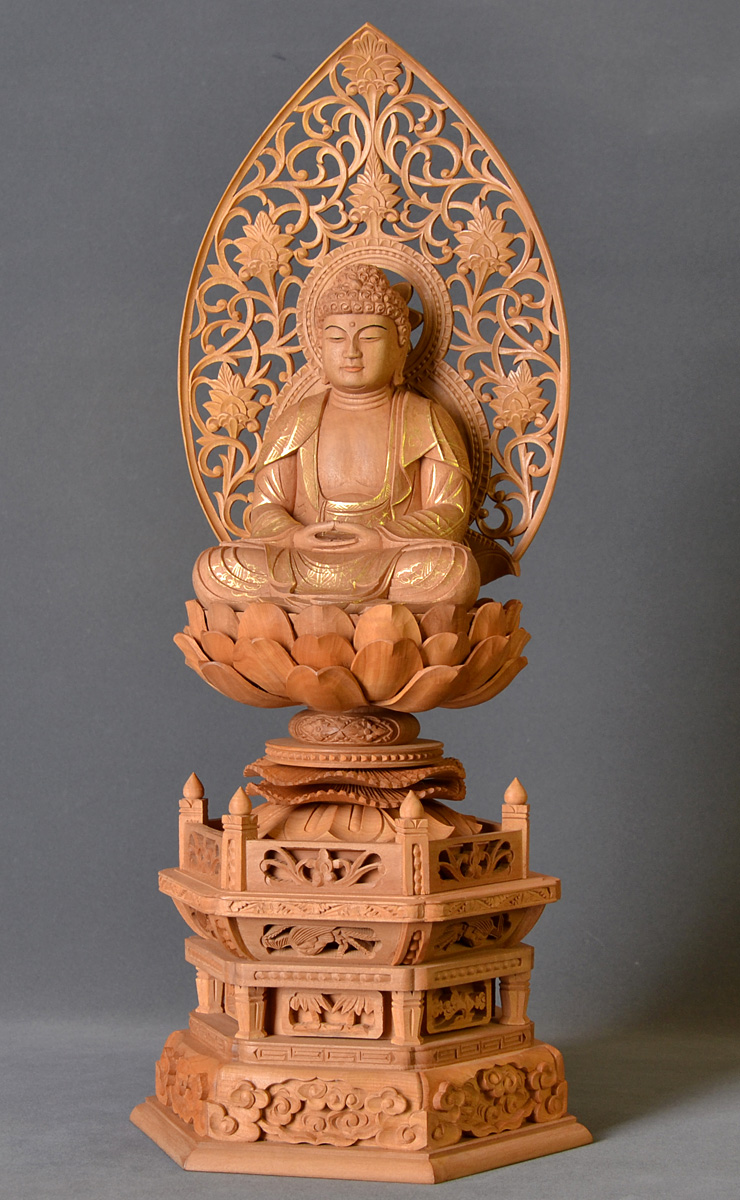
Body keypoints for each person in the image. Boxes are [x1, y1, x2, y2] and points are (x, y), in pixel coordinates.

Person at [193, 264, 480, 612]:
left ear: (401, 346)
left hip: (389, 559)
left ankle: (308, 610)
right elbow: (265, 507)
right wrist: (295, 536)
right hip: (302, 558)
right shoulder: (297, 418)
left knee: (454, 570)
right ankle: (364, 612)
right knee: (216, 566)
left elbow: (450, 511)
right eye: (336, 338)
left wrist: (381, 538)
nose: (352, 351)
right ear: (319, 348)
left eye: (370, 338)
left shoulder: (425, 417)